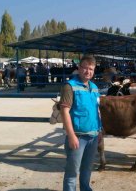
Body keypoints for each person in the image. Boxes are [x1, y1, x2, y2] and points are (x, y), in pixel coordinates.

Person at [59, 55, 102, 191]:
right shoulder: (69, 86)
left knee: (87, 169)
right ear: (79, 68)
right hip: (78, 136)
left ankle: (85, 188)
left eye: (91, 69)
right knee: (72, 172)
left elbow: (97, 111)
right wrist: (71, 136)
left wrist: (100, 130)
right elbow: (64, 111)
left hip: (93, 136)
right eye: (85, 68)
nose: (87, 71)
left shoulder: (94, 88)